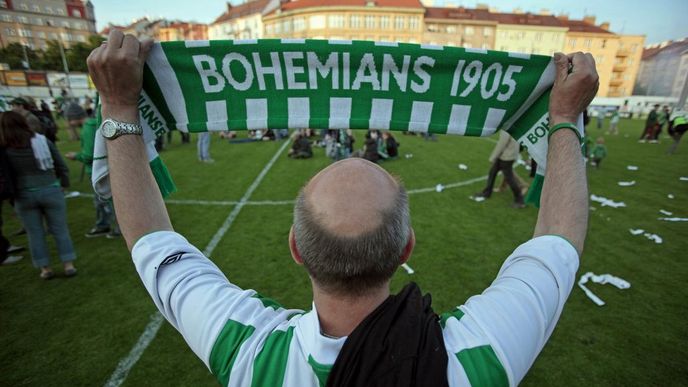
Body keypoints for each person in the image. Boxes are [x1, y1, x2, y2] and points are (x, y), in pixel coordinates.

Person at [88, 31, 597, 385]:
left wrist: (117, 107)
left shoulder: (251, 352)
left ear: (296, 249)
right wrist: (565, 117)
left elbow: (149, 239)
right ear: (406, 248)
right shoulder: (473, 359)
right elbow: (558, 238)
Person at [0, 111, 77, 279]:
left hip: (23, 195)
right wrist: (63, 184)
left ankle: (45, 268)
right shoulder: (42, 141)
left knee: (34, 233)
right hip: (50, 189)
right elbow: (61, 165)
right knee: (60, 230)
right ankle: (68, 264)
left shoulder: (5, 149)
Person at [65, 118, 121, 238]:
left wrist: (76, 156)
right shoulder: (94, 123)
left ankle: (110, 226)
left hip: (98, 170)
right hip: (106, 167)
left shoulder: (89, 127)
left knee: (105, 201)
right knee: (108, 200)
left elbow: (90, 155)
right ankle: (109, 226)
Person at [474, 130, 526, 208]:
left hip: (507, 156)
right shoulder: (511, 126)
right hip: (508, 155)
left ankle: (520, 201)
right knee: (493, 172)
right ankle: (487, 192)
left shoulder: (506, 129)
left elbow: (501, 144)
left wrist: (493, 157)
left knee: (509, 178)